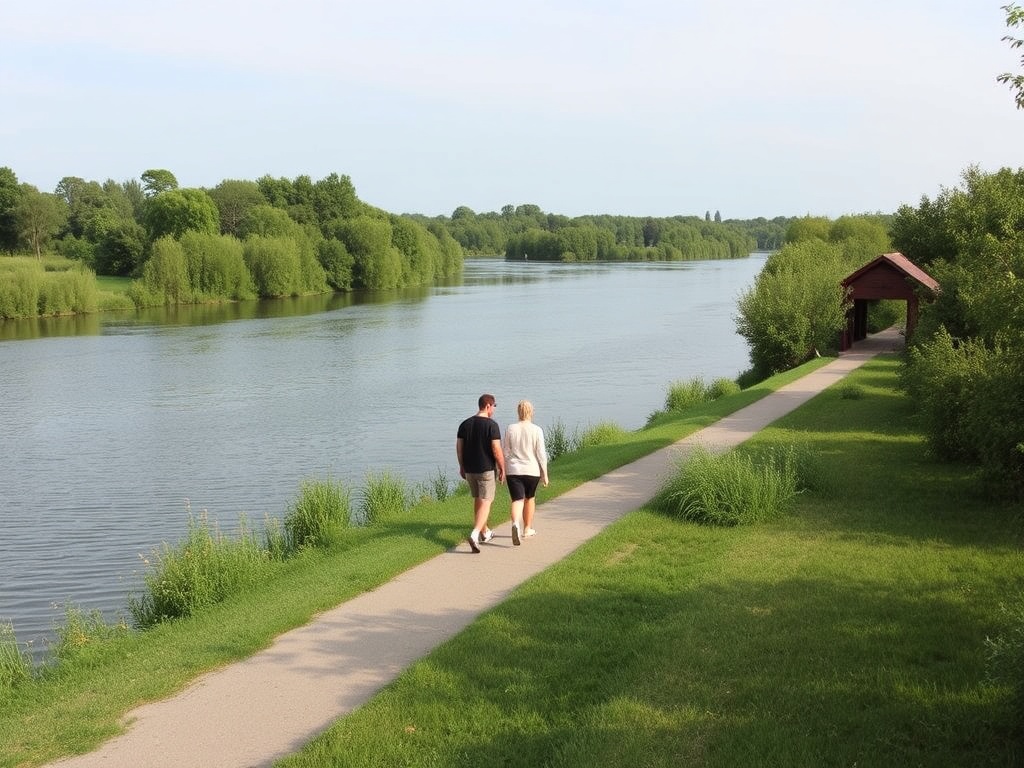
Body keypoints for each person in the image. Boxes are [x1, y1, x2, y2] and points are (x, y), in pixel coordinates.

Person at [456, 393, 506, 553]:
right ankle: (475, 533)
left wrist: (462, 466)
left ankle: (485, 532)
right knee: (486, 500)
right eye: (494, 407)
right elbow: (496, 449)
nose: (494, 410)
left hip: (470, 469)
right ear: (487, 406)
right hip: (486, 470)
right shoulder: (492, 426)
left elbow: (459, 448)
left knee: (478, 499)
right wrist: (502, 468)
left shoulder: (464, 424)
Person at [503, 399, 549, 545]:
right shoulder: (537, 430)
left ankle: (515, 523)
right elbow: (541, 454)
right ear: (531, 412)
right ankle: (527, 528)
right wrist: (545, 474)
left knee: (517, 499)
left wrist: (503, 468)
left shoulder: (511, 428)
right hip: (532, 470)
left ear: (518, 412)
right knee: (530, 498)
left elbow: (506, 451)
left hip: (514, 470)